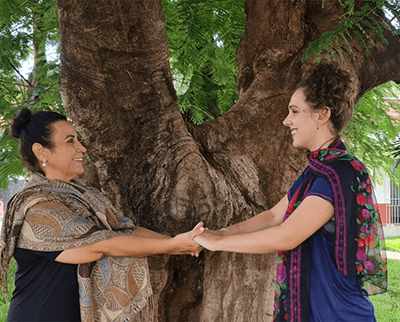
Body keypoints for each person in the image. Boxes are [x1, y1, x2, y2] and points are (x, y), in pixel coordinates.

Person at [194, 62, 387, 322]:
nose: (287, 121)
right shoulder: (317, 171)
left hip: (338, 312)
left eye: (295, 111)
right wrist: (224, 232)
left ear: (322, 114)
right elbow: (274, 215)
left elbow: (286, 236)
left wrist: (217, 244)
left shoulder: (340, 172)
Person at [0, 109, 204, 322]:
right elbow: (100, 245)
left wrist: (185, 242)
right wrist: (172, 246)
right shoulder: (36, 207)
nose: (82, 148)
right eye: (70, 141)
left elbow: (126, 230)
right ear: (41, 152)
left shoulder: (84, 196)